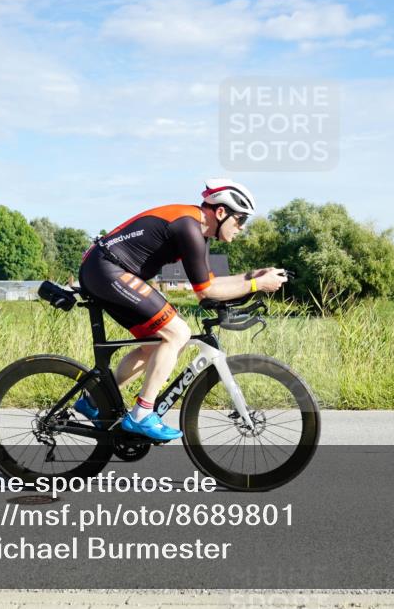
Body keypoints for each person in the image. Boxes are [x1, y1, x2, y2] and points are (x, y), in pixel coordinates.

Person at [74, 179, 288, 441]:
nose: (242, 227)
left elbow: (208, 283)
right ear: (221, 212)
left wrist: (252, 277)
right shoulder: (189, 227)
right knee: (178, 333)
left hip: (104, 269)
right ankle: (142, 414)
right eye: (240, 219)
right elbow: (206, 292)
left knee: (153, 346)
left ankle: (92, 400)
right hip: (107, 269)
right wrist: (257, 284)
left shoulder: (196, 230)